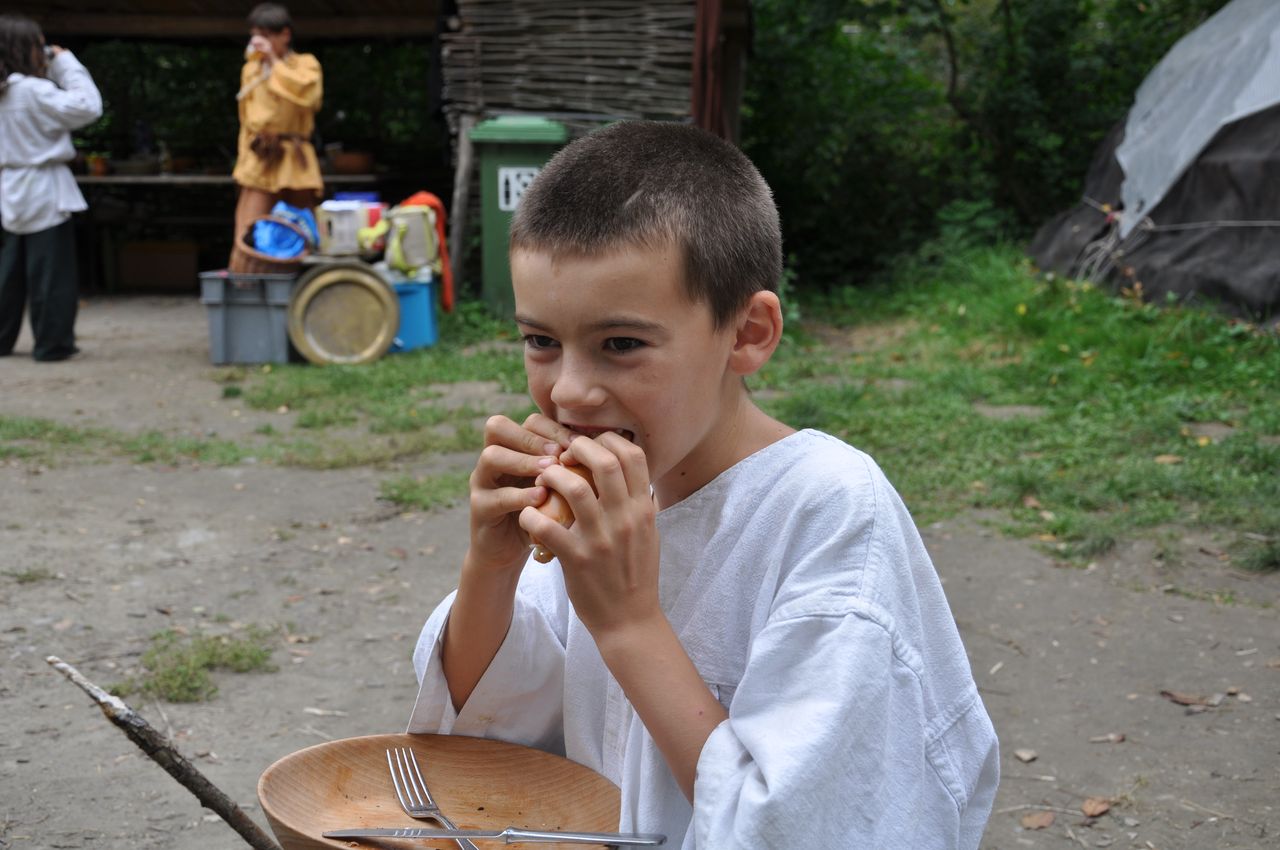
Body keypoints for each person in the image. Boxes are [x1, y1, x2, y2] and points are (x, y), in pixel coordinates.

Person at [407, 121, 999, 848]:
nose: (569, 391)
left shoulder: (827, 513)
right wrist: (491, 569)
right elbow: (498, 737)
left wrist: (629, 624)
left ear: (747, 333)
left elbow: (802, 827)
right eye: (541, 341)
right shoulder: (606, 501)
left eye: (621, 344)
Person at [0, 14, 101, 362]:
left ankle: (2, 339)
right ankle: (52, 343)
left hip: (8, 189)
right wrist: (65, 62)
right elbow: (88, 106)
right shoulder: (32, 91)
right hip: (44, 190)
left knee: (8, 273)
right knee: (50, 274)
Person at [229, 3, 322, 272]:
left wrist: (274, 61)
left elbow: (307, 98)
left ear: (285, 35)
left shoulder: (306, 65)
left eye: (267, 35)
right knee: (248, 231)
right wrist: (244, 163)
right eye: (256, 35)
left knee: (303, 229)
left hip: (295, 157)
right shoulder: (251, 70)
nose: (260, 41)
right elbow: (246, 121)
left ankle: (304, 287)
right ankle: (243, 285)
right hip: (261, 158)